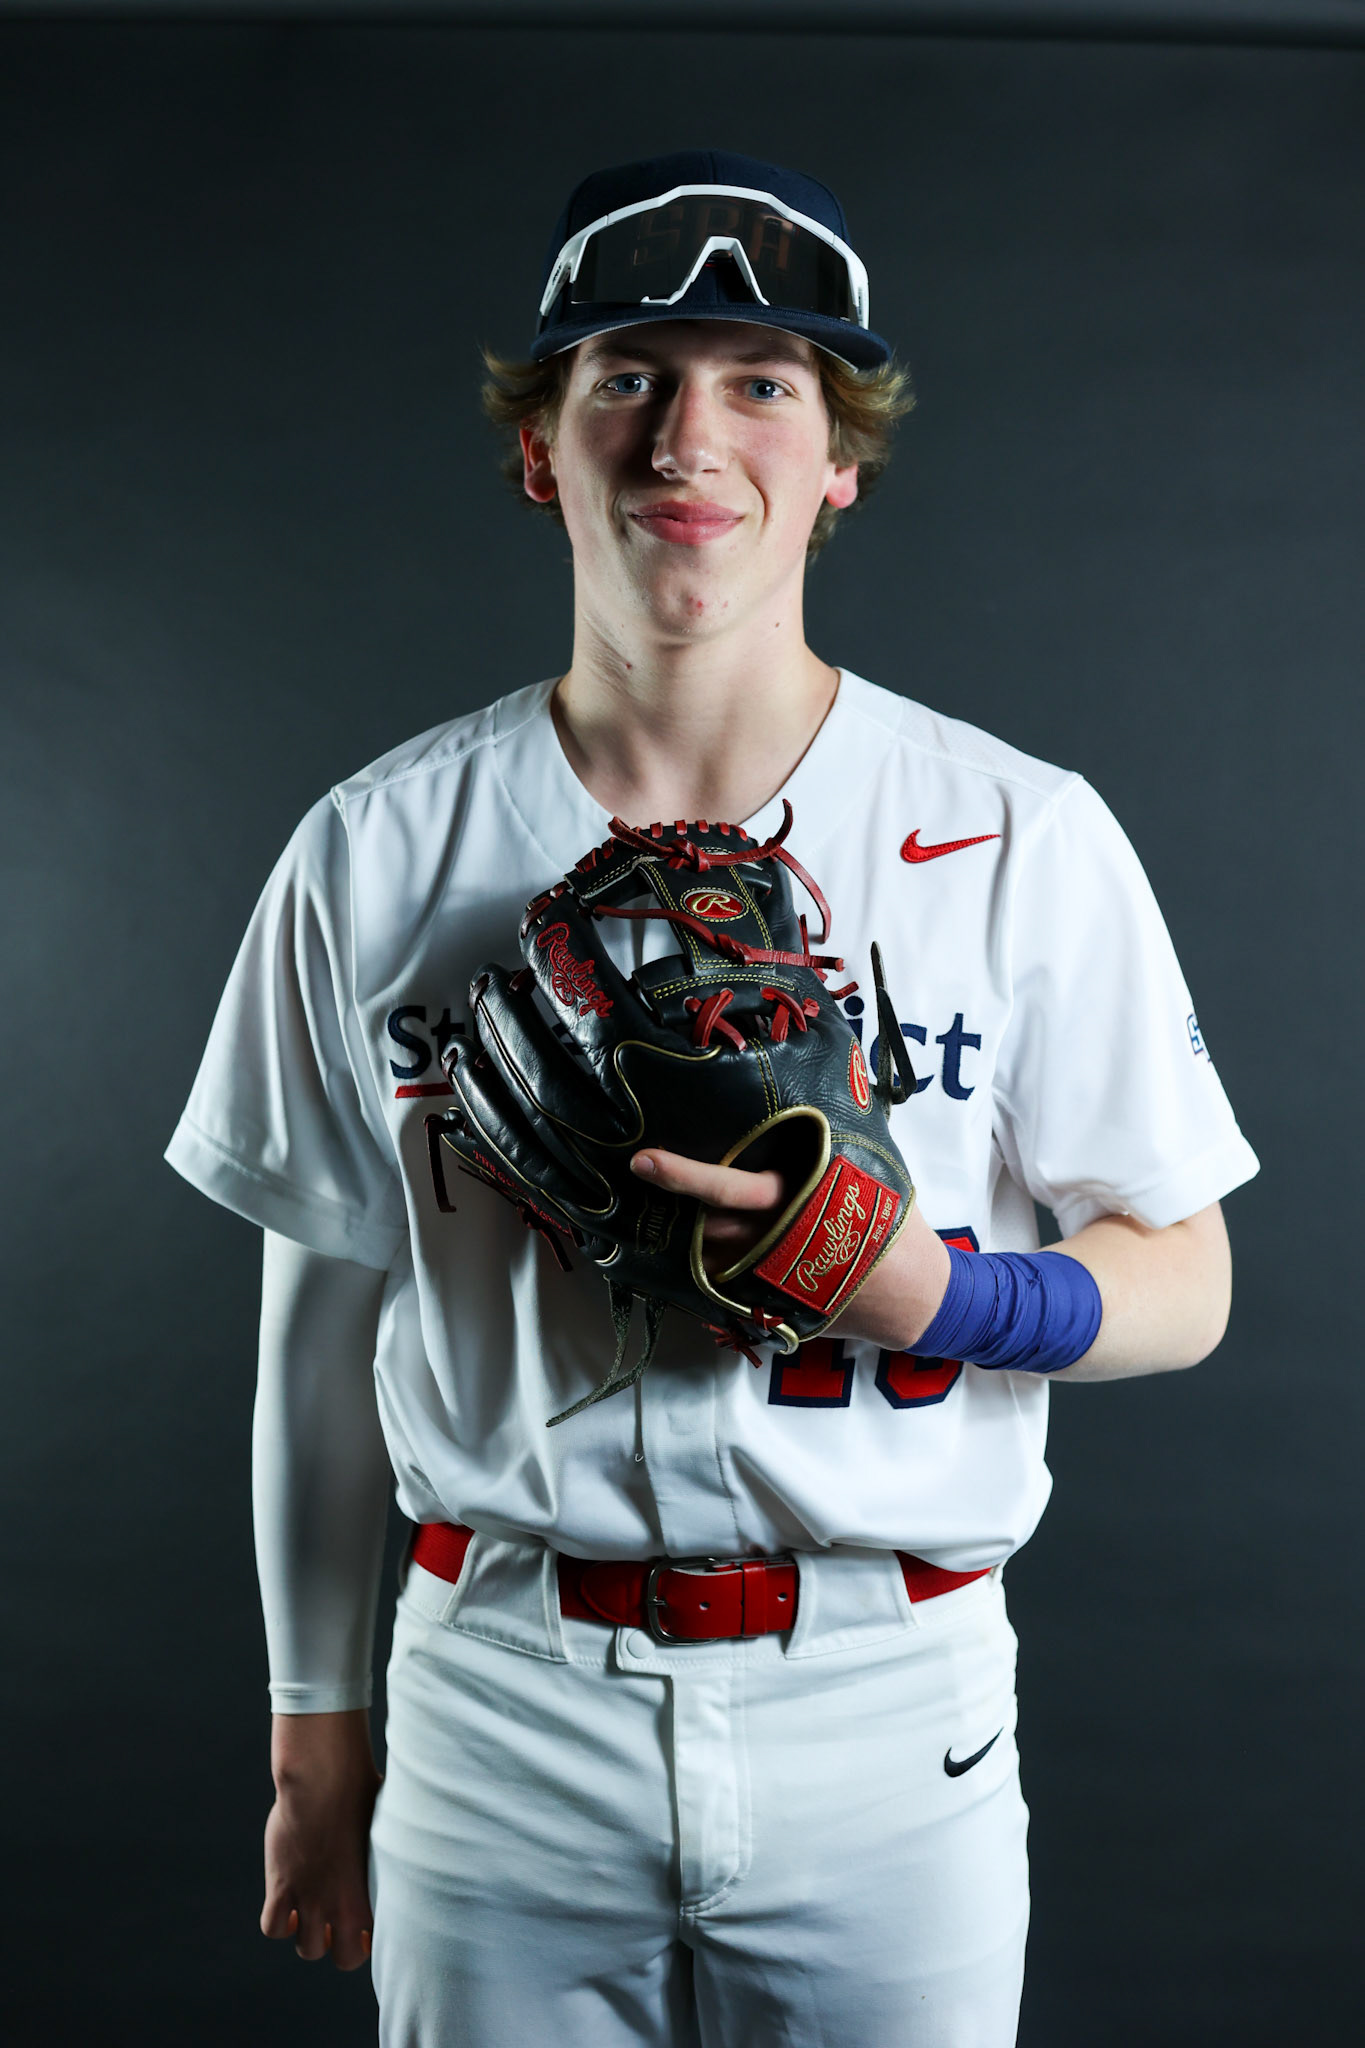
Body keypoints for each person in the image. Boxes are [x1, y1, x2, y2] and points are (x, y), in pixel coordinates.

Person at [166, 149, 1258, 2046]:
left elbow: (1188, 1276)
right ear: (543, 452)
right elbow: (318, 1323)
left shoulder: (1019, 832)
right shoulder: (374, 850)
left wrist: (948, 1297)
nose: (691, 432)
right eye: (627, 379)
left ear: (840, 466)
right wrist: (315, 1732)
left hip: (888, 1692)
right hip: (498, 1694)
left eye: (763, 382)